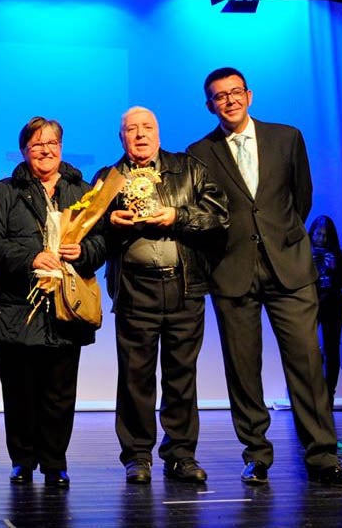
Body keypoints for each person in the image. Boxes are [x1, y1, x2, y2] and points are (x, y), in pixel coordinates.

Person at [188, 66, 342, 488]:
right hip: (232, 271)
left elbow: (299, 199)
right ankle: (257, 455)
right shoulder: (200, 151)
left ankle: (322, 456)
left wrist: (280, 239)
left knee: (306, 363)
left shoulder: (287, 137)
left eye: (235, 93)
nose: (228, 100)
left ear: (249, 96)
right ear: (209, 105)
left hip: (289, 267)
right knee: (243, 370)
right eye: (219, 96)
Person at [98, 106, 228, 485]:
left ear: (158, 132)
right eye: (131, 129)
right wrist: (110, 223)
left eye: (147, 127)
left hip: (184, 286)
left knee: (181, 376)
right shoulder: (108, 178)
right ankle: (137, 455)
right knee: (135, 377)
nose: (140, 134)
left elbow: (220, 216)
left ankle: (181, 454)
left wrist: (177, 215)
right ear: (121, 137)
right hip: (135, 289)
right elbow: (90, 236)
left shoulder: (188, 168)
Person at [0, 117, 106, 487]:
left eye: (52, 143)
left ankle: (54, 462)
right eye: (37, 145)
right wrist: (31, 258)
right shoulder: (4, 191)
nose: (46, 150)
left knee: (60, 394)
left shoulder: (83, 191)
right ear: (24, 151)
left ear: (61, 148)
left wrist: (82, 251)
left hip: (66, 308)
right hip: (15, 308)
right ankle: (22, 460)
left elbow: (102, 242)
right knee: (19, 392)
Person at [309, 215, 342, 400]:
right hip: (310, 306)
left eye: (325, 235)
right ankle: (313, 393)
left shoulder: (336, 253)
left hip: (333, 306)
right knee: (308, 349)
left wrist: (334, 268)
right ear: (312, 233)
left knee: (332, 349)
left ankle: (329, 395)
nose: (321, 238)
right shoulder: (303, 253)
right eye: (318, 233)